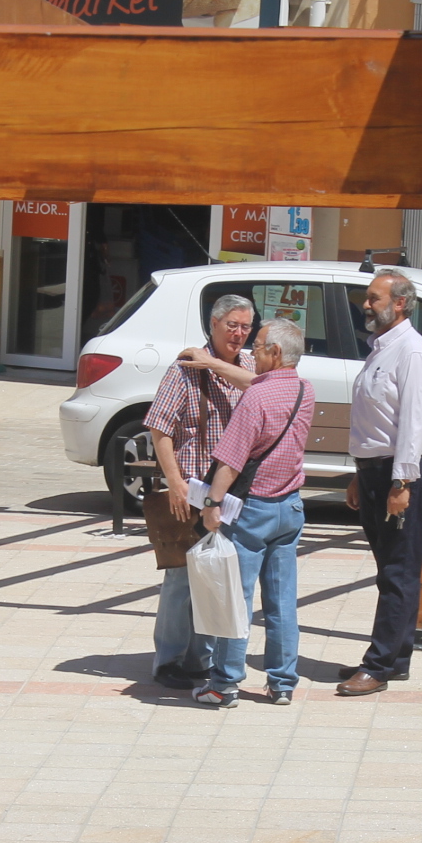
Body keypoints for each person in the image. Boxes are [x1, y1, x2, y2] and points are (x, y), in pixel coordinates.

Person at [193, 319, 315, 708]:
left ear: (275, 353)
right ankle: (282, 683)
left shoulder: (256, 398)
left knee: (237, 598)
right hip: (290, 507)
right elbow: (262, 383)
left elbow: (231, 460)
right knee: (282, 601)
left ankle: (224, 683)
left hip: (253, 511)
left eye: (258, 347)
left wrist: (212, 504)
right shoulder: (304, 390)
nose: (251, 352)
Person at [142, 294, 256, 688]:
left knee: (216, 577)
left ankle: (199, 659)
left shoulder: (249, 366)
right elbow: (159, 428)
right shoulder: (183, 370)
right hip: (192, 490)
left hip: (233, 496)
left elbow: (260, 387)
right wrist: (174, 482)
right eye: (232, 325)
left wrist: (214, 364)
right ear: (213, 324)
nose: (238, 334)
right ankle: (168, 660)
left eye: (245, 327)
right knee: (181, 579)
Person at [338, 268, 422, 697]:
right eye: (367, 298)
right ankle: (396, 658)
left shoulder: (413, 352)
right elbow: (375, 421)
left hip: (403, 473)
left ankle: (378, 666)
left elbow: (413, 423)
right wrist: (359, 474)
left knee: (399, 571)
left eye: (373, 298)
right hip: (375, 471)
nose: (366, 305)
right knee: (390, 570)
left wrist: (402, 483)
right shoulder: (380, 348)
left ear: (400, 303)